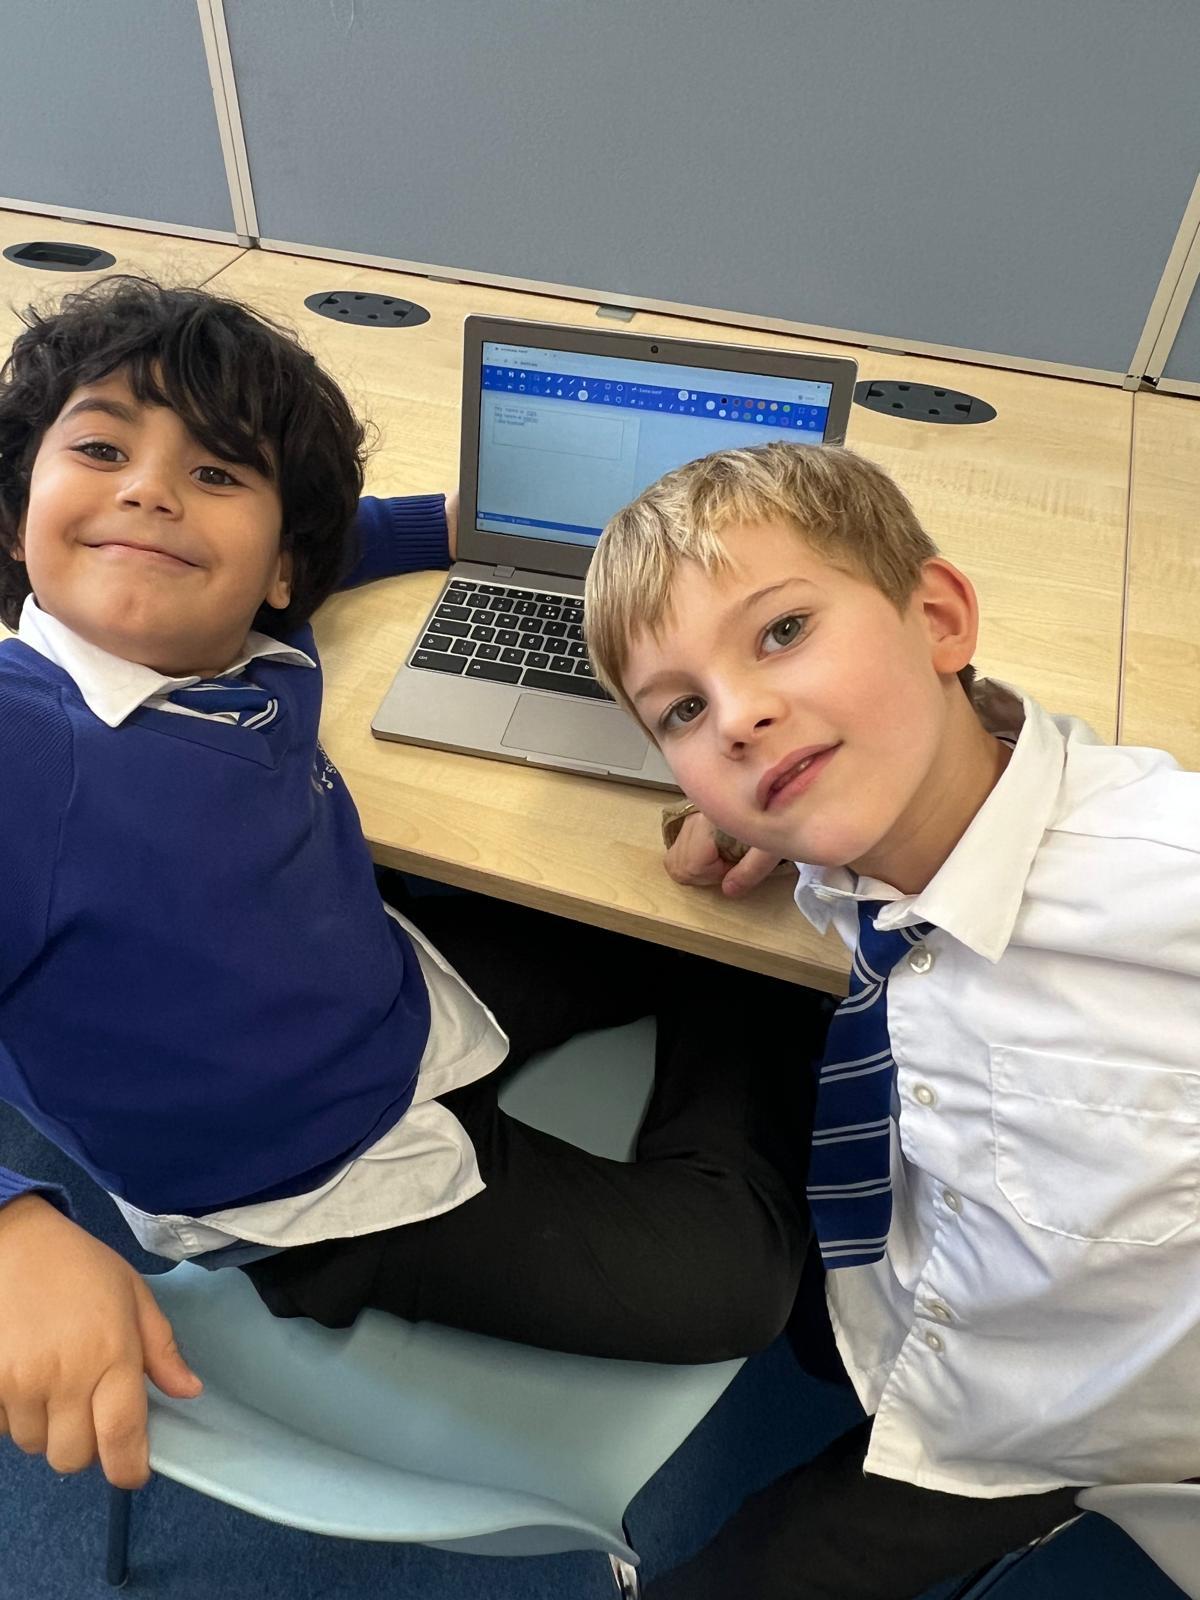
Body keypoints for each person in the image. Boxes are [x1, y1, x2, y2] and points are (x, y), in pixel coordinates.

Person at [0, 279, 833, 1495]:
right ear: (17, 508)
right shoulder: (26, 748)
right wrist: (15, 1225)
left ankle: (754, 1008)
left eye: (217, 472)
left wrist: (466, 521)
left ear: (281, 569)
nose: (152, 491)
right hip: (309, 1184)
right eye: (102, 449)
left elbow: (353, 536)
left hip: (380, 989)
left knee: (681, 918)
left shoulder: (239, 636)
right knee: (738, 1282)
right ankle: (767, 1028)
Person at [584, 439, 1200, 1600]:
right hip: (898, 1279)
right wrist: (762, 816)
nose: (740, 719)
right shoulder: (891, 813)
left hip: (1046, 1420)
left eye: (782, 631)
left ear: (940, 619)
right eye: (684, 710)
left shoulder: (1168, 892)